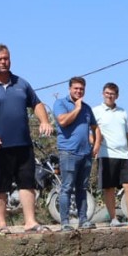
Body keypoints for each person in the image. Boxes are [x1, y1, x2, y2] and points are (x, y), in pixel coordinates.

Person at [0, 43, 54, 233]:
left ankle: (30, 222)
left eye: (6, 58)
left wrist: (44, 121)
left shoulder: (22, 83)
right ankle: (1, 224)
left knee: (27, 182)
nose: (3, 62)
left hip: (23, 143)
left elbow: (37, 104)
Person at [52, 76, 98, 230]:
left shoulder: (87, 108)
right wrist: (77, 108)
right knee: (67, 187)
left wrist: (96, 144)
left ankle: (83, 220)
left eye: (81, 89)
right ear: (69, 89)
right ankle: (65, 222)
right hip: (68, 152)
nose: (79, 91)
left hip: (85, 154)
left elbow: (95, 127)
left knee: (82, 188)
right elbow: (63, 121)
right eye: (76, 88)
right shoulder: (61, 103)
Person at [92, 82, 128, 226]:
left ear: (117, 96)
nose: (109, 96)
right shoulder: (96, 111)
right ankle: (113, 219)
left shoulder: (123, 112)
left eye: (112, 94)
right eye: (107, 93)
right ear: (103, 94)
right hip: (106, 155)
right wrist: (95, 145)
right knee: (109, 187)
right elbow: (91, 133)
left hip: (124, 155)